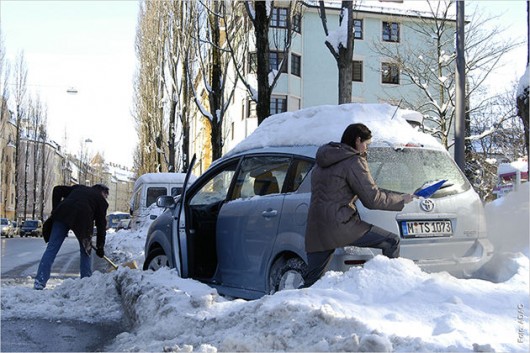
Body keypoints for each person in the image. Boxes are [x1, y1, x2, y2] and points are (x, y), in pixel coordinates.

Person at [303, 123, 414, 287]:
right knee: (391, 241)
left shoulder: (323, 159)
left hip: (316, 227)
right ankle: (392, 289)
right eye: (366, 144)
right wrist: (401, 199)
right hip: (341, 225)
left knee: (311, 282)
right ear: (357, 140)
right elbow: (372, 199)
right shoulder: (353, 161)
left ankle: (282, 307)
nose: (366, 149)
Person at [34, 183, 110, 290]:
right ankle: (85, 282)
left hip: (62, 213)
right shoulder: (101, 201)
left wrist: (55, 209)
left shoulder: (79, 188)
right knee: (85, 252)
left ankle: (39, 282)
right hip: (83, 219)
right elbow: (101, 225)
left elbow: (57, 189)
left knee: (51, 249)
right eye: (106, 195)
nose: (106, 198)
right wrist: (100, 247)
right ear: (103, 192)